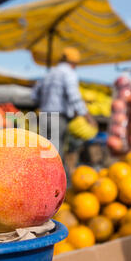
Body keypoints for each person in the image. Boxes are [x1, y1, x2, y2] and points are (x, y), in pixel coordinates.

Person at [32, 47, 96, 175]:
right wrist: (87, 116)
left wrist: (44, 103)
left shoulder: (49, 73)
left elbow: (34, 95)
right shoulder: (68, 73)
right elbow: (74, 96)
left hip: (44, 116)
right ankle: (53, 186)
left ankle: (42, 181)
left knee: (44, 153)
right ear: (74, 63)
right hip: (58, 118)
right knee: (55, 156)